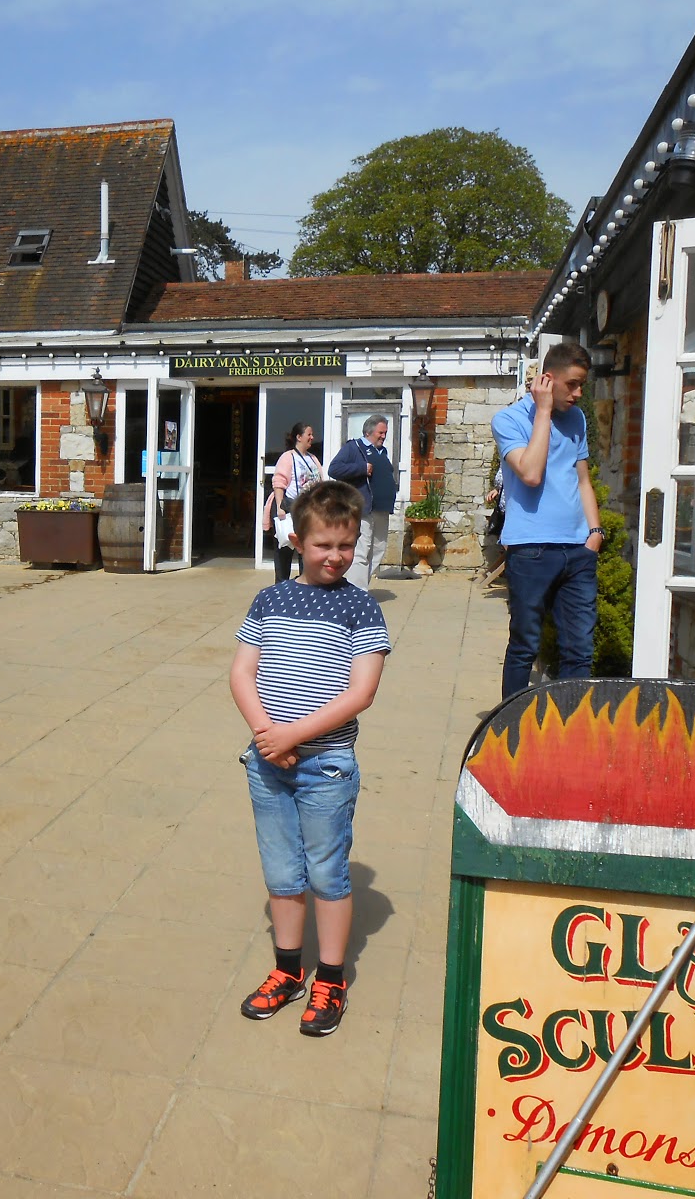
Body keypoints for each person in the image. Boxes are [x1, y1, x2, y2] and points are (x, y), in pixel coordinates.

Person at [230, 480, 390, 1037]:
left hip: (325, 766)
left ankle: (330, 978)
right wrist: (264, 733)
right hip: (268, 761)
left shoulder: (361, 608)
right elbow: (242, 672)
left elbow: (359, 694)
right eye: (324, 545)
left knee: (326, 871)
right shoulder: (270, 599)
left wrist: (291, 735)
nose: (335, 557)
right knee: (281, 872)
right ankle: (288, 970)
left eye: (345, 546)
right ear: (297, 540)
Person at [491, 342, 602, 699]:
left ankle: (570, 727)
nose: (578, 393)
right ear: (547, 380)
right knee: (525, 643)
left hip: (578, 550)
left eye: (582, 384)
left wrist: (594, 532)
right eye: (572, 384)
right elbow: (531, 473)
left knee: (579, 650)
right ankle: (510, 727)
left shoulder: (577, 419)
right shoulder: (508, 419)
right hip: (531, 549)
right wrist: (542, 412)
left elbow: (581, 478)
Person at [327, 414, 397, 589]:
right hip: (364, 509)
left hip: (382, 509)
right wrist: (361, 468)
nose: (384, 436)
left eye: (385, 433)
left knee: (379, 551)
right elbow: (334, 469)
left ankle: (359, 586)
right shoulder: (354, 447)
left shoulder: (382, 451)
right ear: (368, 432)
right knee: (362, 551)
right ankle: (358, 593)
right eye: (380, 432)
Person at [269, 423, 323, 583]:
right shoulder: (288, 457)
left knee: (306, 551)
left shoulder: (313, 458)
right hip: (290, 508)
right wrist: (279, 507)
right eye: (309, 434)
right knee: (284, 551)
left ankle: (305, 586)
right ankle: (281, 587)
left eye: (312, 434)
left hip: (309, 510)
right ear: (299, 437)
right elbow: (279, 482)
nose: (312, 437)